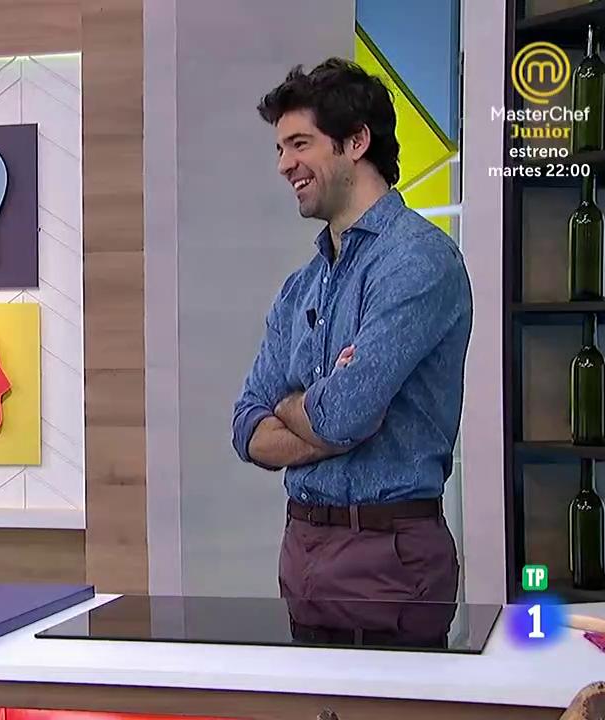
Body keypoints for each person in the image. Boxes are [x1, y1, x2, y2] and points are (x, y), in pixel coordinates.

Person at [231, 58, 473, 602]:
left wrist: (294, 406)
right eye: (280, 149)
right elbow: (247, 427)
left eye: (299, 144)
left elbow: (345, 414)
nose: (284, 165)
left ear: (357, 142)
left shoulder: (419, 261)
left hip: (390, 557)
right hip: (302, 547)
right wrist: (322, 411)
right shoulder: (301, 287)